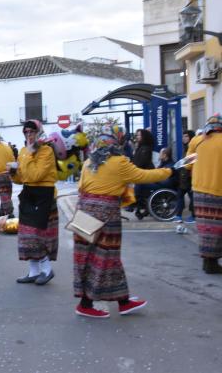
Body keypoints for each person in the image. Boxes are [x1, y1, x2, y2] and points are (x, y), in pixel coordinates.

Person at [73, 123, 172, 318]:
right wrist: (168, 171)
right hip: (106, 215)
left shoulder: (88, 163)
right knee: (106, 257)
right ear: (116, 141)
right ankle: (87, 304)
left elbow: (81, 187)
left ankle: (122, 301)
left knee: (86, 258)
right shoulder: (119, 162)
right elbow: (143, 176)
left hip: (83, 212)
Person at [12, 120, 58, 285]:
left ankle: (47, 269)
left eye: (32, 132)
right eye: (26, 132)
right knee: (25, 234)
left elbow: (36, 176)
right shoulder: (23, 150)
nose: (28, 135)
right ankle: (34, 271)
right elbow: (22, 178)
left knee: (37, 235)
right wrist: (13, 173)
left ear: (39, 133)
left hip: (43, 193)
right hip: (28, 193)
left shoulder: (46, 151)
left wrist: (31, 154)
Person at [186, 114, 222, 274]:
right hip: (218, 189)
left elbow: (187, 165)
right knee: (218, 228)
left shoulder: (197, 140)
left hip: (199, 190)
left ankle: (209, 261)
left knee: (207, 228)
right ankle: (212, 263)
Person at [134, 147, 177, 218]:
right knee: (140, 182)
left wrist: (154, 179)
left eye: (160, 154)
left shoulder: (169, 165)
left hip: (163, 186)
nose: (159, 155)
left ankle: (137, 202)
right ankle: (140, 202)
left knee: (140, 184)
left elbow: (167, 181)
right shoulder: (164, 164)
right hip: (159, 184)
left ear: (165, 155)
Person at [0, 133, 16, 218]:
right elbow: (13, 160)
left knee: (4, 195)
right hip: (9, 174)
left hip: (0, 175)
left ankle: (9, 212)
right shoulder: (7, 147)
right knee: (7, 194)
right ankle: (2, 210)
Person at [175, 130, 196, 223]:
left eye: (186, 136)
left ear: (191, 137)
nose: (184, 138)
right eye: (183, 136)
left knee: (191, 197)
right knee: (180, 195)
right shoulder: (186, 148)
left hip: (189, 177)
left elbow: (189, 163)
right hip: (184, 177)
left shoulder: (192, 148)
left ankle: (193, 216)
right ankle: (178, 215)